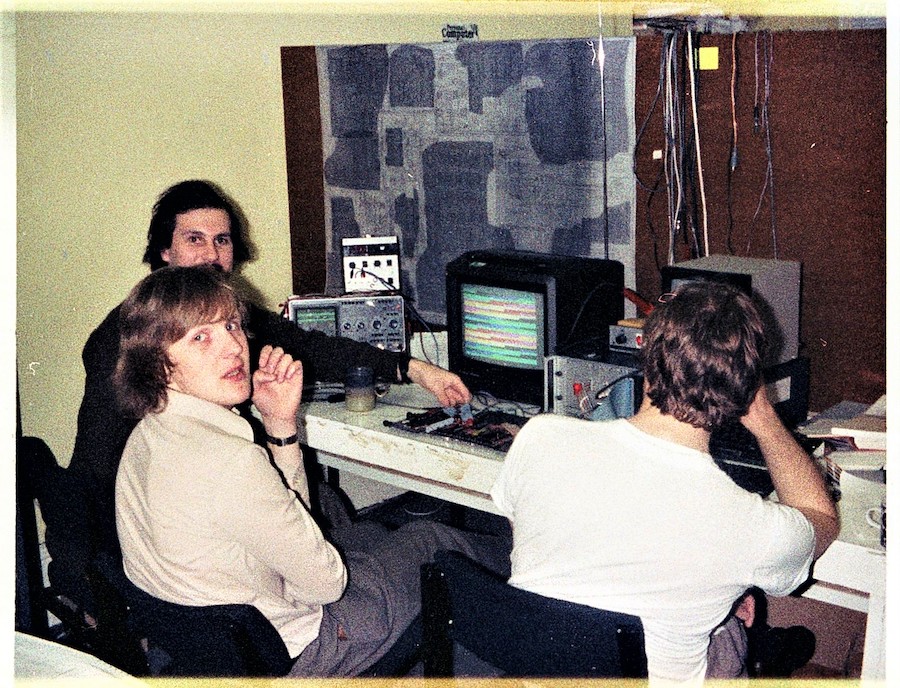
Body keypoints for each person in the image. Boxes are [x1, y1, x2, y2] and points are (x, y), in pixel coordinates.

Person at [112, 266, 509, 676]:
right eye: (200, 337)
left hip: (211, 651)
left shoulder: (145, 435)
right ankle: (537, 592)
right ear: (158, 366)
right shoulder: (230, 462)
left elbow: (280, 529)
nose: (232, 347)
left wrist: (279, 425)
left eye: (231, 324)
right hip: (300, 655)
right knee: (430, 540)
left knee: (372, 534)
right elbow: (326, 586)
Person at [69, 179, 468, 561]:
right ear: (164, 251)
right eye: (195, 239)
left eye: (221, 240)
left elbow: (310, 347)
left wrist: (412, 368)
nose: (211, 254)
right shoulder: (125, 339)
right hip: (161, 530)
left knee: (328, 504)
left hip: (204, 502)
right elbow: (99, 469)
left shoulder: (220, 315)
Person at [490, 281, 838, 683]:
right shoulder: (746, 526)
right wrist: (765, 420)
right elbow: (820, 519)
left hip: (537, 668)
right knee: (733, 632)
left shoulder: (539, 437)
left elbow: (532, 536)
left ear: (646, 354)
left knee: (720, 609)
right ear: (744, 390)